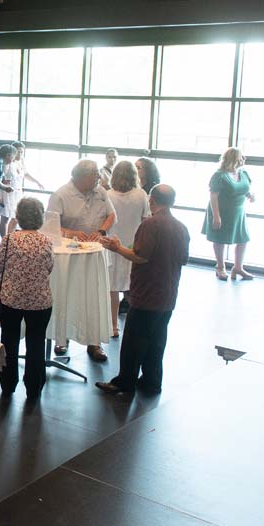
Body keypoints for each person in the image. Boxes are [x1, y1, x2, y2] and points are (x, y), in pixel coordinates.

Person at [96, 184, 190, 396]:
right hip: (168, 293)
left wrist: (116, 247)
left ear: (152, 200)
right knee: (157, 341)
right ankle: (151, 381)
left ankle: (125, 382)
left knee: (133, 342)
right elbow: (183, 259)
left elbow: (140, 256)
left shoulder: (150, 225)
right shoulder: (181, 228)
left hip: (147, 293)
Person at [46, 159, 116, 361]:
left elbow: (112, 215)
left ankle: (94, 343)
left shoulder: (100, 192)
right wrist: (71, 232)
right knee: (66, 294)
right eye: (94, 176)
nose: (98, 179)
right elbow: (51, 226)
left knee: (94, 295)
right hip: (68, 256)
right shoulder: (60, 195)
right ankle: (62, 337)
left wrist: (101, 230)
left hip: (93, 253)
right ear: (81, 177)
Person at [0, 197, 54, 398]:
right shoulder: (46, 241)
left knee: (9, 341)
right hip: (40, 301)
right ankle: (34, 387)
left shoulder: (9, 240)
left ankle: (8, 384)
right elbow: (49, 268)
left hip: (11, 300)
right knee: (36, 343)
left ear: (18, 217)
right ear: (40, 217)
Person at [105, 161, 150, 339]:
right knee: (133, 289)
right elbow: (146, 219)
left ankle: (113, 326)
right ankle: (136, 328)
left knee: (113, 289)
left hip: (112, 246)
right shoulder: (141, 195)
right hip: (133, 246)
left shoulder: (107, 195)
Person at [202, 147, 256, 281]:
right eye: (241, 157)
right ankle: (220, 267)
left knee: (243, 239)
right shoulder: (220, 175)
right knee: (220, 239)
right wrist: (216, 216)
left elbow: (244, 188)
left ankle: (238, 267)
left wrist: (250, 195)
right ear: (234, 159)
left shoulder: (243, 173)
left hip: (238, 212)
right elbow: (213, 196)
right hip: (222, 211)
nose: (244, 159)